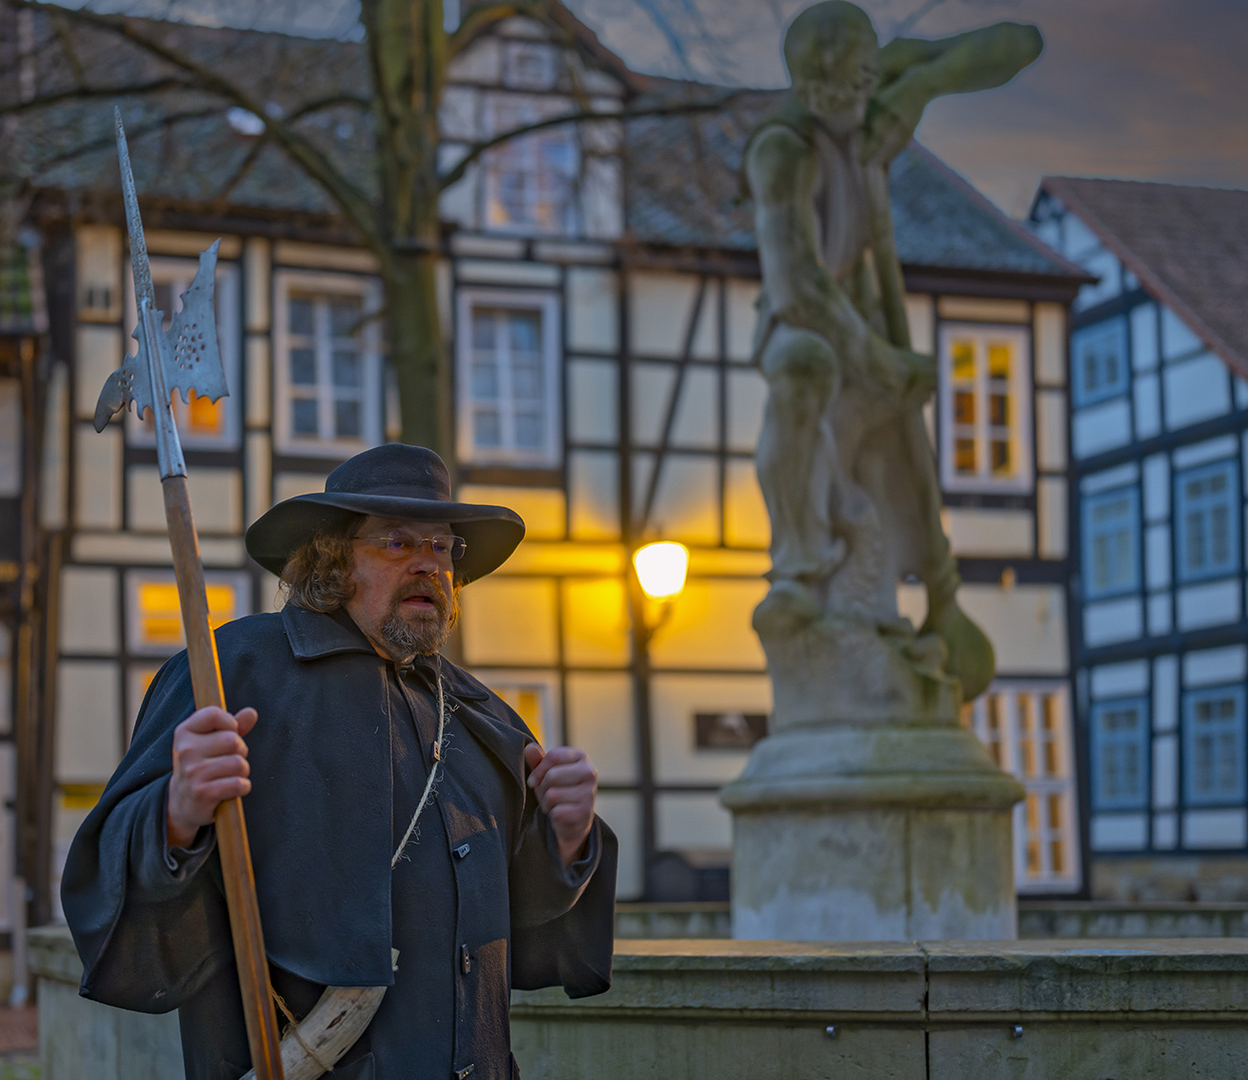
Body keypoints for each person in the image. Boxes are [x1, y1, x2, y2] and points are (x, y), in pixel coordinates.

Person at [61, 443, 617, 1080]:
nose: (427, 566)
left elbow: (524, 921)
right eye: (397, 542)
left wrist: (568, 840)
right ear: (333, 558)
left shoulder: (479, 712)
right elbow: (109, 878)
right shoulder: (233, 671)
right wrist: (176, 814)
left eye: (441, 548)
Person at [745, 0, 1040, 697]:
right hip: (808, 323)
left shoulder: (884, 79)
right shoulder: (780, 149)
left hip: (870, 315)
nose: (847, 109)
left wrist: (919, 87)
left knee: (889, 464)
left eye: (859, 90)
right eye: (828, 99)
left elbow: (1017, 41)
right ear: (803, 91)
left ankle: (910, 592)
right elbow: (798, 282)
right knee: (803, 367)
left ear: (872, 72)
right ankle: (796, 569)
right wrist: (878, 359)